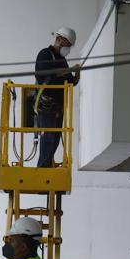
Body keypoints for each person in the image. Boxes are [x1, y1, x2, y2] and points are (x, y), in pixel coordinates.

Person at [34, 27, 81, 168]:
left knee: (55, 139)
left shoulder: (62, 60)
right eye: (67, 45)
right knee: (48, 138)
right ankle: (42, 169)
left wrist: (77, 74)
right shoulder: (45, 54)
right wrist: (68, 70)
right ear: (60, 40)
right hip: (46, 104)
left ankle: (46, 167)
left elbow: (70, 82)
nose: (68, 49)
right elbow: (42, 74)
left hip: (58, 107)